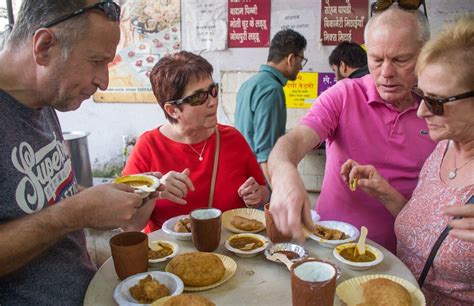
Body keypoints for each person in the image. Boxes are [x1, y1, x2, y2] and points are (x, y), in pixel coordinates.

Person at [0, 1, 163, 304]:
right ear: (44, 46)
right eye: (96, 61)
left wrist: (120, 198)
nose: (104, 81)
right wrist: (74, 214)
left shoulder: (43, 100)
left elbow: (55, 197)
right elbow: (64, 212)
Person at [268, 3, 436, 253]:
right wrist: (283, 173)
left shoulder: (438, 108)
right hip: (329, 245)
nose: (386, 73)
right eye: (377, 60)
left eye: (401, 60)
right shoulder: (345, 94)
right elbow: (293, 141)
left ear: (425, 55)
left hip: (401, 255)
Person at [342, 14, 474, 305]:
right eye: (421, 96)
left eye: (437, 102)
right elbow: (426, 232)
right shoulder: (442, 150)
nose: (422, 112)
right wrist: (385, 192)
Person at [122, 51, 269, 233]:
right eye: (199, 97)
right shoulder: (148, 146)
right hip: (168, 256)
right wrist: (154, 190)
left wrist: (256, 195)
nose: (213, 102)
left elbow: (264, 193)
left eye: (213, 91)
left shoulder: (233, 139)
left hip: (225, 253)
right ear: (173, 110)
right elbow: (130, 224)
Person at [235, 29, 307, 184]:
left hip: (244, 177)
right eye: (302, 60)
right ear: (291, 59)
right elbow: (265, 153)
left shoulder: (249, 84)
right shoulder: (272, 90)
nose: (301, 67)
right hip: (261, 180)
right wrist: (277, 193)